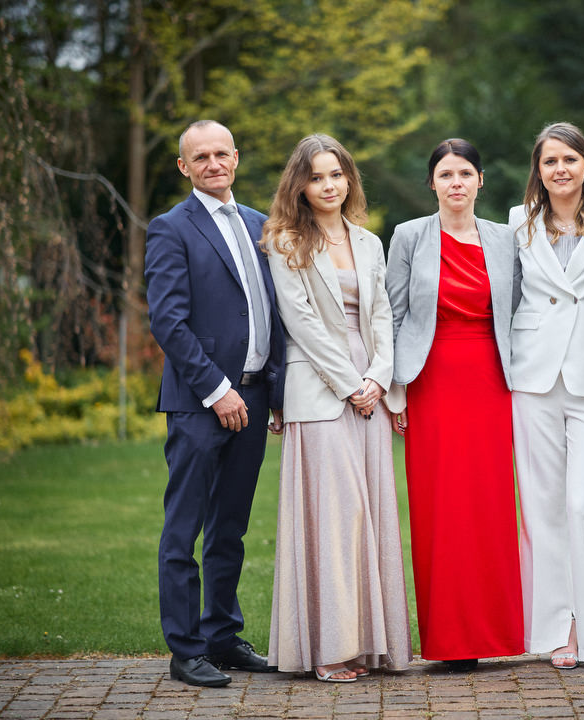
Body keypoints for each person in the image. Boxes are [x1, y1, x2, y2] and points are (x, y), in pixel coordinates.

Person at [261, 134, 412, 683]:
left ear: (349, 179)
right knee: (335, 516)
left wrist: (377, 378)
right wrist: (351, 384)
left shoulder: (368, 242)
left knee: (371, 517)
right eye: (316, 177)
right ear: (299, 185)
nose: (328, 185)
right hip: (320, 389)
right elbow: (300, 323)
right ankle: (327, 648)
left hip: (369, 389)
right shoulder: (285, 241)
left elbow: (383, 317)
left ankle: (368, 646)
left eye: (336, 174)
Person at [145, 119, 286, 687]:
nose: (213, 164)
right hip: (201, 402)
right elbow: (169, 322)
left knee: (230, 528)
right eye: (200, 157)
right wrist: (216, 389)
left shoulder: (259, 224)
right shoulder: (170, 228)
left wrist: (274, 391)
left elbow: (273, 312)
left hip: (254, 396)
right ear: (185, 167)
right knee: (184, 530)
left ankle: (222, 637)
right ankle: (185, 650)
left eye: (221, 154)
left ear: (236, 157)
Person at [385, 138, 523, 671]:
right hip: (431, 380)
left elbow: (517, 311)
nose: (456, 182)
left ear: (480, 180)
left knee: (489, 504)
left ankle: (494, 634)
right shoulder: (408, 236)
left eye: (465, 173)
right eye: (446, 174)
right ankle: (448, 640)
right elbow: (394, 315)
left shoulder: (506, 238)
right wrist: (397, 388)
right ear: (432, 183)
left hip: (490, 379)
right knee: (439, 507)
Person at [508, 122, 584, 671]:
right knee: (542, 510)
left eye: (569, 159)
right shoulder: (518, 223)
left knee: (583, 506)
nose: (560, 169)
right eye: (549, 161)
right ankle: (557, 631)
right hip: (533, 379)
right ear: (538, 170)